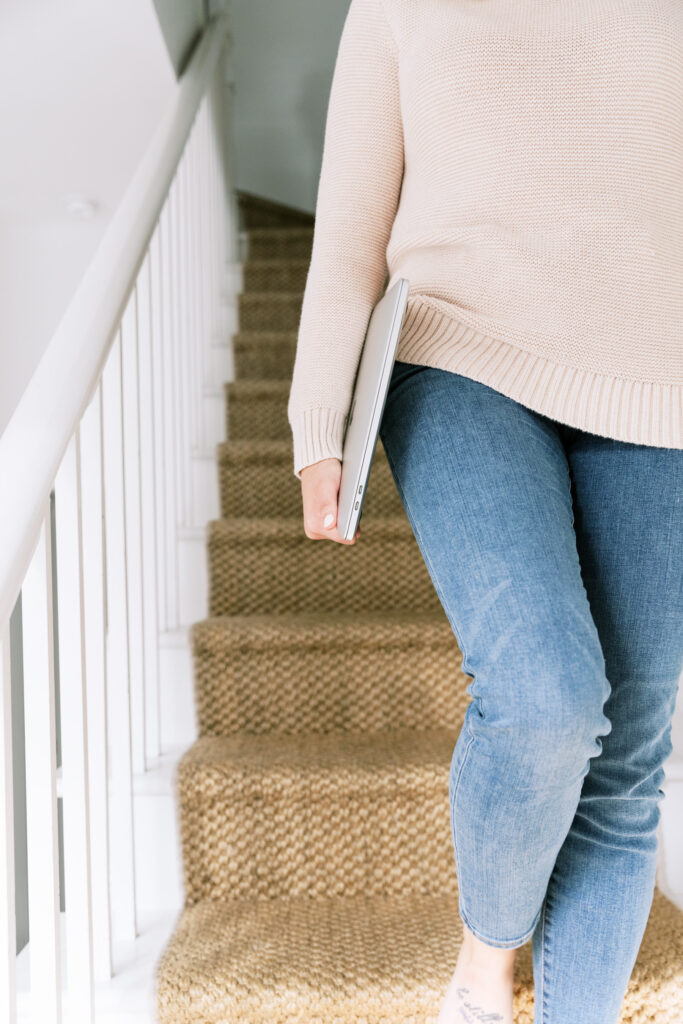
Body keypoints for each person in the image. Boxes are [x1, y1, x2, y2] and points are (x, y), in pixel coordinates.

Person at [286, 2, 683, 1021]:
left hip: (657, 380)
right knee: (544, 693)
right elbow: (347, 239)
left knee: (627, 754)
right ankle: (481, 969)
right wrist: (314, 421)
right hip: (457, 348)